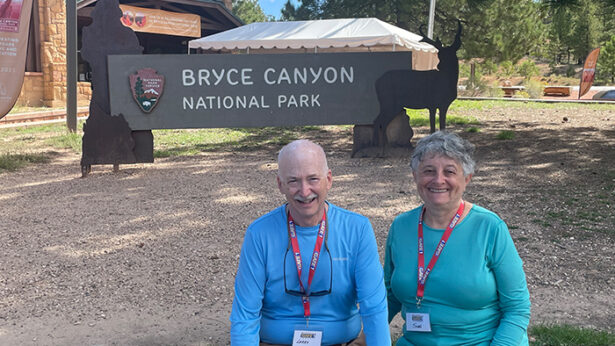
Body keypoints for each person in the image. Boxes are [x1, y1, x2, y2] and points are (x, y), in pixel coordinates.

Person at [230, 139, 391, 345]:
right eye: (293, 181)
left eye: (313, 179)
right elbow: (245, 315)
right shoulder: (259, 233)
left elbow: (374, 308)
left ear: (329, 180)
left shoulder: (357, 229)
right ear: (280, 184)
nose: (304, 191)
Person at [384, 131, 531, 345]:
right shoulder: (401, 226)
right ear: (415, 176)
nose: (438, 180)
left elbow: (517, 308)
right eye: (428, 171)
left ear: (467, 179)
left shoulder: (489, 227)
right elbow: (389, 296)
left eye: (449, 171)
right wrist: (363, 334)